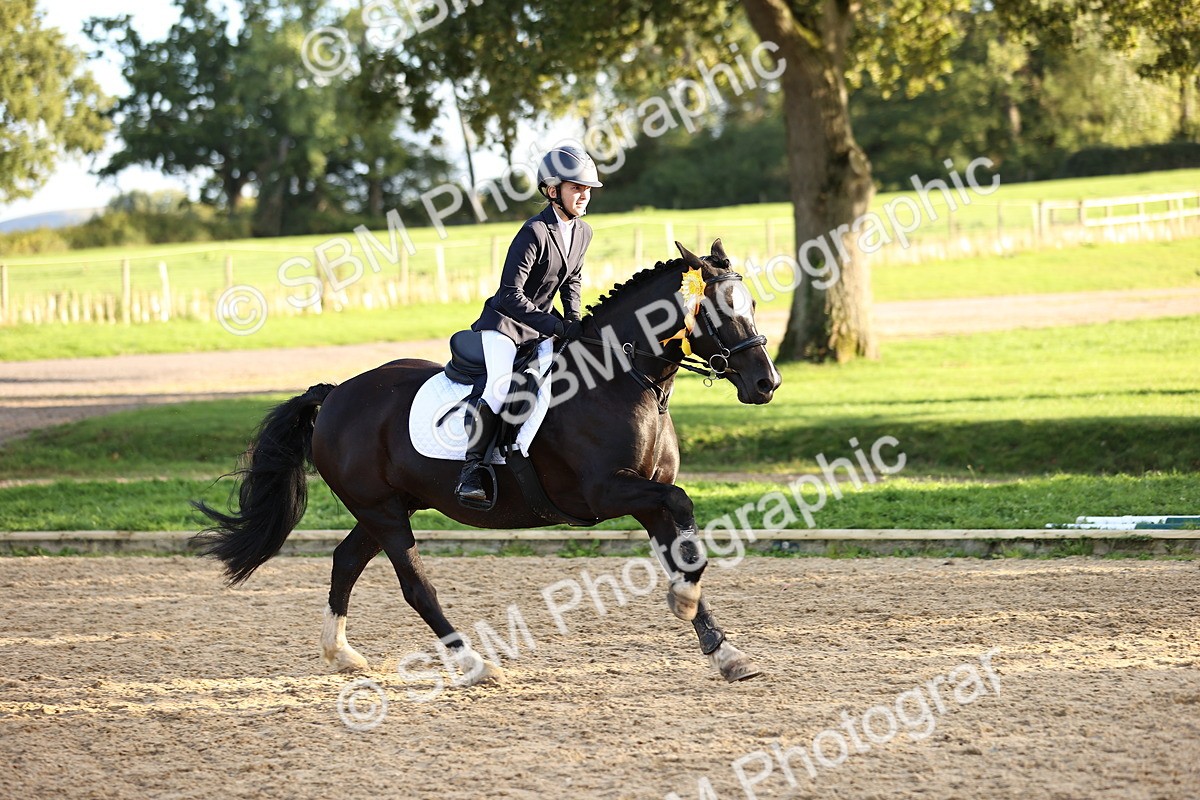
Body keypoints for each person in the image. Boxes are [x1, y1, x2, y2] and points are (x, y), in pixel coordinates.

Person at [455, 145, 603, 506]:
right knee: (500, 387)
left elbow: (572, 281)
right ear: (553, 190)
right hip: (504, 325)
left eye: (587, 189)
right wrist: (555, 325)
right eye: (576, 188)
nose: (584, 195)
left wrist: (573, 320)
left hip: (541, 328)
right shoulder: (534, 231)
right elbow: (509, 295)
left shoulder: (583, 232)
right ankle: (472, 470)